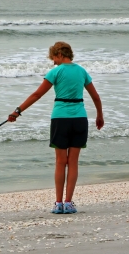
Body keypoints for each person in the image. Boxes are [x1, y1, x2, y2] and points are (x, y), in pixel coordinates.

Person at [8, 41, 104, 214]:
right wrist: (99, 116)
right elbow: (96, 97)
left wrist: (18, 111)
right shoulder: (82, 71)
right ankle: (69, 203)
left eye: (54, 57)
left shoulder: (56, 72)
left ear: (59, 54)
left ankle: (58, 203)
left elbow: (37, 94)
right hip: (80, 118)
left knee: (61, 162)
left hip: (60, 119)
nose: (53, 62)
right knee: (73, 161)